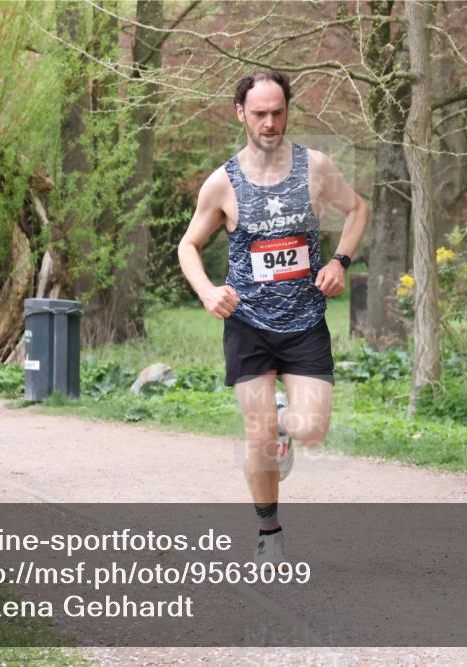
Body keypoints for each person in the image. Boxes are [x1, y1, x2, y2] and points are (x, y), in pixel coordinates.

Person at [177, 71, 369, 563]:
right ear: (240, 112)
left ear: (288, 111)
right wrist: (206, 291)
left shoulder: (316, 167)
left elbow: (357, 209)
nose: (269, 122)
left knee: (311, 430)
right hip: (248, 324)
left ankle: (284, 425)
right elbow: (188, 246)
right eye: (259, 113)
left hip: (305, 321)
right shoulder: (223, 182)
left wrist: (338, 261)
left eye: (277, 112)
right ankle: (269, 534)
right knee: (256, 431)